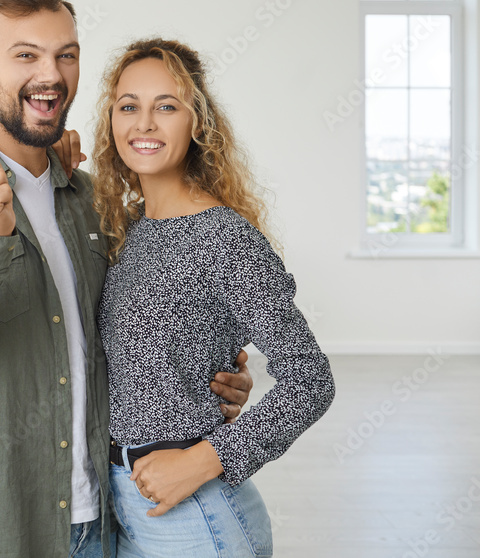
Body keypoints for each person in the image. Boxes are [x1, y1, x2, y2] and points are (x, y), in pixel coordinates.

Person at [0, 0, 253, 558]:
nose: (49, 75)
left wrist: (207, 377)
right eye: (25, 55)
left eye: (65, 55)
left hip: (100, 524)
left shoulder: (87, 195)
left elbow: (120, 335)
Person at [91, 38, 336, 557]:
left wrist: (204, 460)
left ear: (197, 122)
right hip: (123, 507)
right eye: (129, 106)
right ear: (111, 123)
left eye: (167, 106)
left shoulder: (225, 236)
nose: (145, 123)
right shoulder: (129, 229)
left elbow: (310, 381)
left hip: (196, 517)